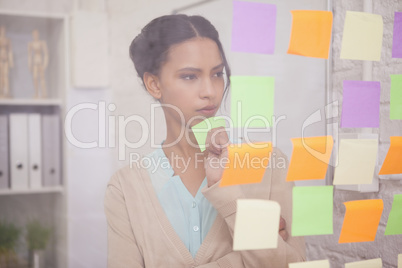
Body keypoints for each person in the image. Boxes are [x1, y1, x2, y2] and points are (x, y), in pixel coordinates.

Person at [104, 14, 305, 267]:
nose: (210, 91)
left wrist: (227, 190)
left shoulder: (269, 165)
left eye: (218, 74)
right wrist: (241, 260)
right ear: (154, 84)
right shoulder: (125, 189)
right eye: (190, 76)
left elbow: (293, 264)